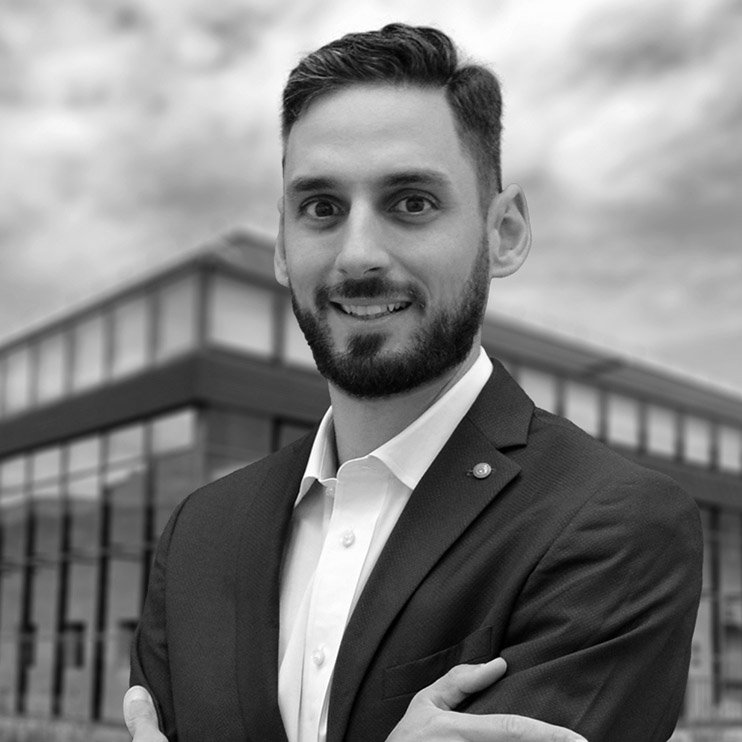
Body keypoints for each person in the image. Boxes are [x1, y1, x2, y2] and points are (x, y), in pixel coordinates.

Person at [126, 23, 703, 742]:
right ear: (281, 244)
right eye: (321, 208)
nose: (358, 256)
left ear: (504, 232)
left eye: (412, 203)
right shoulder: (200, 534)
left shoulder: (615, 526)